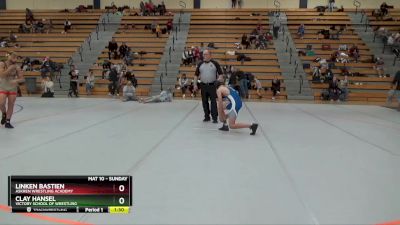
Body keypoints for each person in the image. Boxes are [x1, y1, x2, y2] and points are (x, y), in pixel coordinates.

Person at [193, 50, 223, 123]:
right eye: (203, 54)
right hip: (203, 85)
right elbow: (196, 75)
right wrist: (195, 84)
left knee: (213, 102)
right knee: (204, 102)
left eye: (206, 54)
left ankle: (215, 118)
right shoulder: (200, 64)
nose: (204, 56)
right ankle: (206, 116)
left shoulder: (215, 63)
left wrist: (218, 80)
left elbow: (221, 75)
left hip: (212, 85)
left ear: (210, 55)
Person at [0, 52, 25, 128]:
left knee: (11, 105)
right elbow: (1, 75)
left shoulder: (17, 67)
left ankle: (8, 121)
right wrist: (10, 68)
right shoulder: (2, 64)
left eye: (16, 57)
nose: (15, 58)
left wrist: (16, 80)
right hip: (3, 86)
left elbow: (22, 79)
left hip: (12, 88)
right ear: (9, 56)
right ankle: (4, 113)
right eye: (13, 56)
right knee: (1, 103)